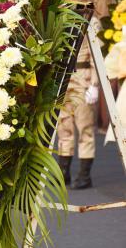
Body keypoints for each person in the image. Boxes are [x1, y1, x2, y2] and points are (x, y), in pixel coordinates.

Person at [57, 16, 100, 190]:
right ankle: (63, 172)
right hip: (63, 78)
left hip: (83, 77)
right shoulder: (60, 19)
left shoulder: (90, 20)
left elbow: (96, 56)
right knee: (63, 126)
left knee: (85, 127)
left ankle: (84, 175)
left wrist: (95, 84)